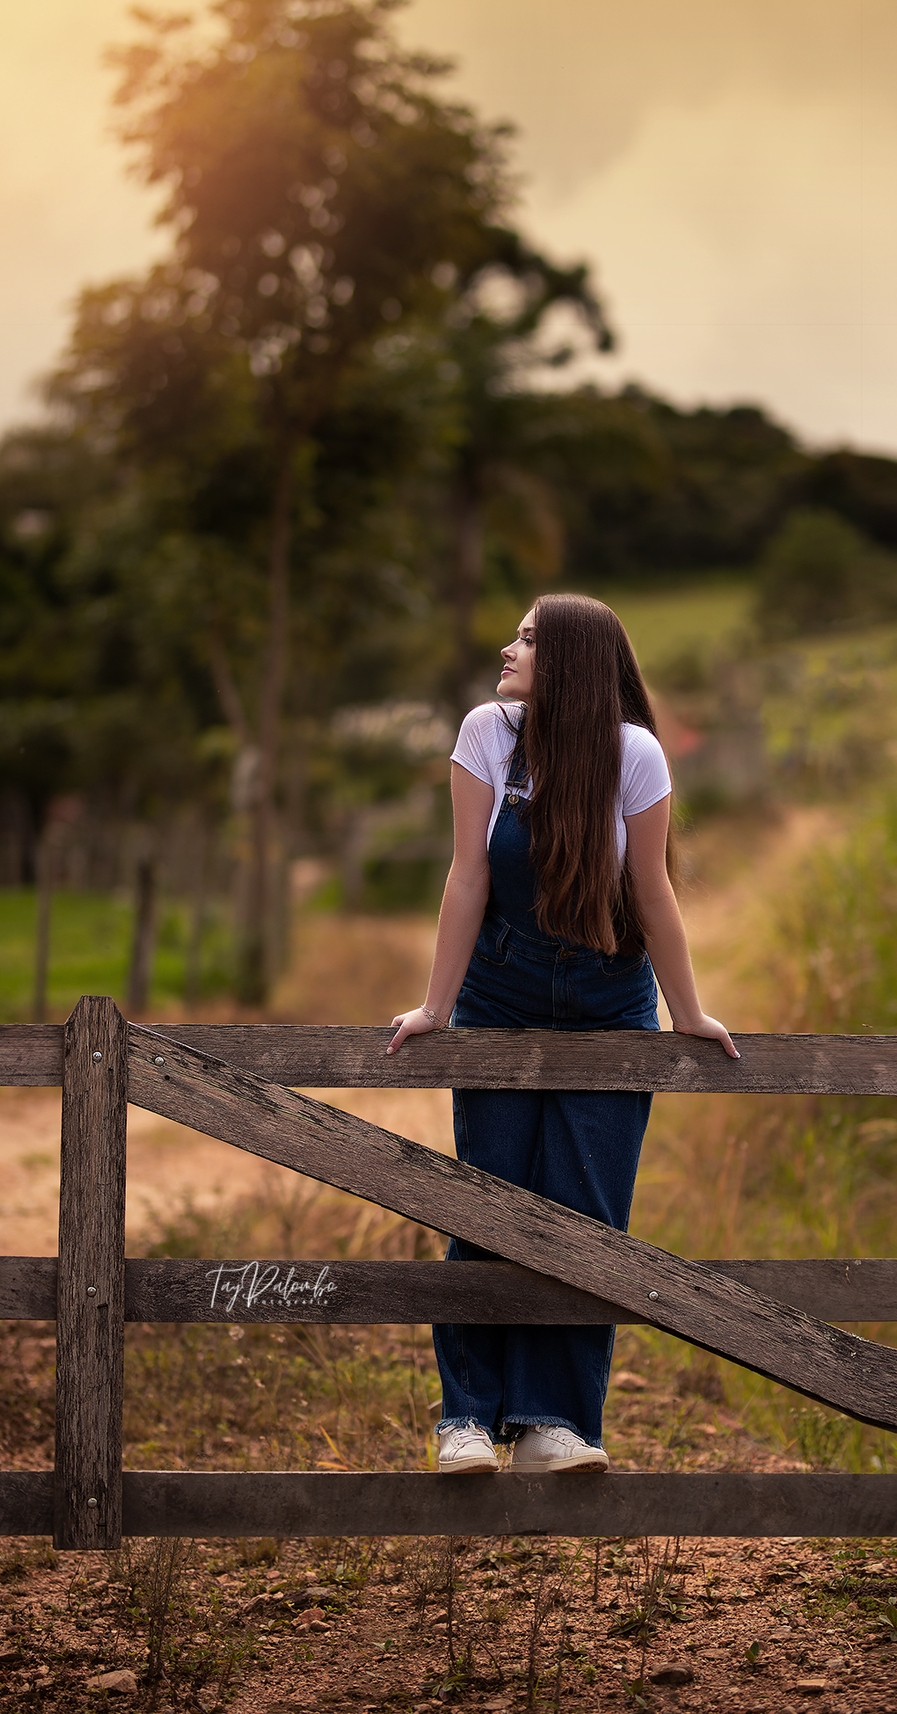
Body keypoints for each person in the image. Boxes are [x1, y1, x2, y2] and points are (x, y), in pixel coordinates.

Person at [388, 593, 739, 1475]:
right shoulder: (488, 733)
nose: (509, 649)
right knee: (487, 1201)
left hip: (610, 995)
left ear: (573, 659)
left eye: (529, 638)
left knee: (585, 1212)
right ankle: (466, 1422)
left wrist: (688, 1012)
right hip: (499, 993)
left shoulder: (634, 752)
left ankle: (556, 1427)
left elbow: (653, 892)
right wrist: (436, 1005)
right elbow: (466, 876)